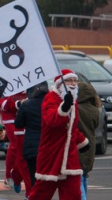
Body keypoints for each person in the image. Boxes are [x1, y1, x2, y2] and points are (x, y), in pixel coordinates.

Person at [28, 69, 90, 200]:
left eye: (75, 80)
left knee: (73, 195)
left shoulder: (73, 101)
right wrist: (64, 107)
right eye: (69, 80)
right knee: (41, 194)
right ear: (59, 83)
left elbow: (71, 128)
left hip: (69, 158)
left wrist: (82, 140)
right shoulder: (50, 98)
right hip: (51, 155)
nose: (73, 84)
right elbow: (51, 121)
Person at [0, 88, 28, 193]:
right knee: (16, 144)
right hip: (11, 116)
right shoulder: (0, 82)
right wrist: (17, 104)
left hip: (27, 113)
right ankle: (10, 176)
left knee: (26, 146)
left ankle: (19, 174)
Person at [15, 82, 48, 197]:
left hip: (31, 146)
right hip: (47, 145)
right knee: (47, 179)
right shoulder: (51, 103)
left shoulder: (27, 104)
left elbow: (18, 124)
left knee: (33, 178)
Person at [76, 81, 100, 200]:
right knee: (84, 175)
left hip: (79, 144)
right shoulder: (95, 110)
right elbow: (95, 125)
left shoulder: (76, 109)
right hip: (91, 143)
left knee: (77, 179)